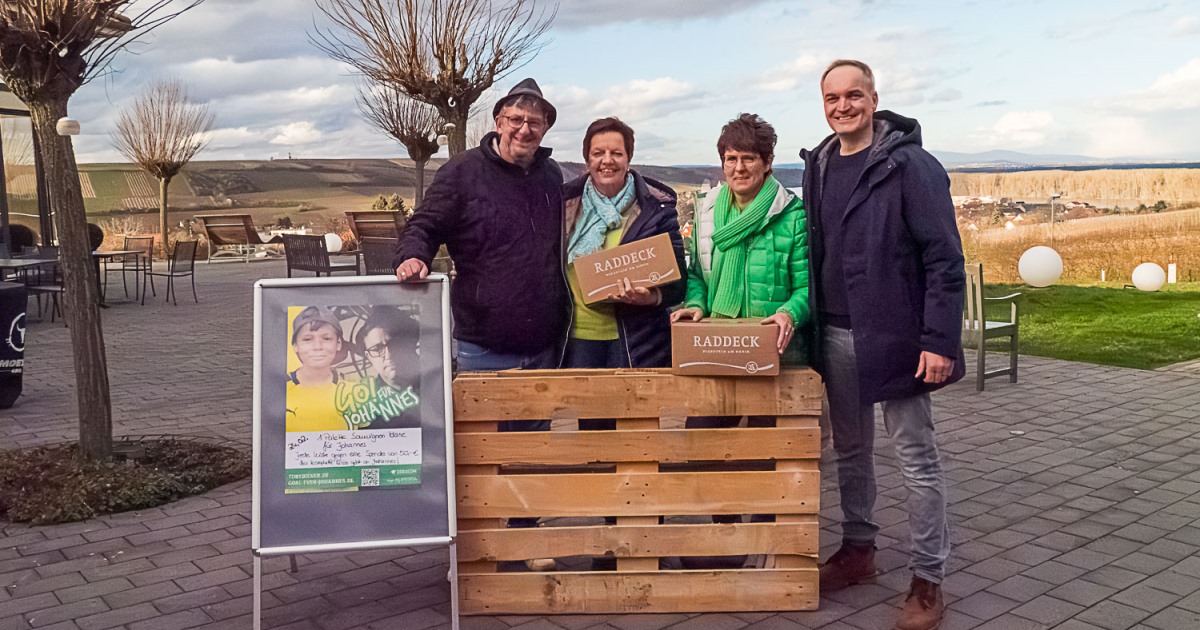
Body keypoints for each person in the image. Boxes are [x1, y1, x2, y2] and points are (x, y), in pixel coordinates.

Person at [801, 59, 965, 630]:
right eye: (832, 98)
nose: (842, 106)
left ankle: (927, 578)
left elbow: (945, 258)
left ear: (874, 99)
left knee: (916, 460)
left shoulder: (909, 165)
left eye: (853, 96)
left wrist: (939, 339)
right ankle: (858, 551)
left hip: (897, 339)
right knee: (850, 452)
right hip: (835, 335)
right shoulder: (819, 164)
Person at [394, 78, 568, 569]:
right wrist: (412, 257)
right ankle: (479, 552)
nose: (524, 128)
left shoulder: (552, 176)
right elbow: (424, 225)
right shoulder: (462, 172)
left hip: (544, 340)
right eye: (516, 118)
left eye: (535, 121)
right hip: (483, 341)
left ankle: (524, 544)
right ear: (497, 122)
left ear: (546, 127)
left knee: (529, 451)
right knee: (483, 452)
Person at [669, 113, 811, 559]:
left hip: (774, 354)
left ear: (768, 163)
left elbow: (808, 286)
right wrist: (695, 303)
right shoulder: (707, 212)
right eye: (731, 158)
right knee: (708, 445)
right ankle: (726, 538)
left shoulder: (791, 214)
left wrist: (790, 311)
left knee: (769, 450)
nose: (739, 168)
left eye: (749, 158)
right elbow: (697, 274)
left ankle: (770, 541)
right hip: (716, 349)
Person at [561, 117, 686, 398]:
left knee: (637, 429)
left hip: (636, 341)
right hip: (578, 339)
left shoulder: (655, 208)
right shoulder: (565, 203)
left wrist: (651, 297)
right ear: (587, 159)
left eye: (616, 153)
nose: (607, 160)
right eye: (598, 153)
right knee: (590, 428)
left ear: (628, 158)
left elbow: (678, 284)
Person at [345, 308, 421, 431]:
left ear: (410, 344)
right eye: (377, 349)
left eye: (395, 344)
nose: (388, 355)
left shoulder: (435, 386)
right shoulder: (362, 404)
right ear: (368, 357)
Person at [285, 306, 349, 433]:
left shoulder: (354, 390)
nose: (317, 346)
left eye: (326, 339)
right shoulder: (278, 388)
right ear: (295, 346)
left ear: (338, 344)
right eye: (307, 339)